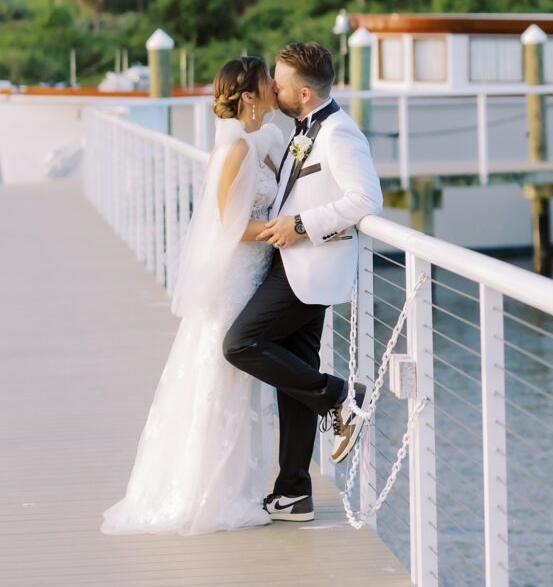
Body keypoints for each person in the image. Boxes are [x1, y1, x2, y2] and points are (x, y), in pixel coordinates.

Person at [101, 56, 283, 535]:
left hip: (253, 272)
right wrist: (282, 231)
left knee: (234, 381)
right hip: (237, 276)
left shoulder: (255, 140)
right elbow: (228, 226)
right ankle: (210, 493)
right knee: (220, 379)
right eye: (267, 81)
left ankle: (235, 486)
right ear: (249, 96)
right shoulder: (236, 149)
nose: (274, 86)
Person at [223, 41, 383, 524]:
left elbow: (366, 199)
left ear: (307, 93)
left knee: (240, 343)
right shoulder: (300, 129)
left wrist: (302, 225)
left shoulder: (339, 134)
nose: (273, 87)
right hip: (288, 262)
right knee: (291, 376)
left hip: (310, 265)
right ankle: (293, 492)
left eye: (281, 82)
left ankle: (339, 395)